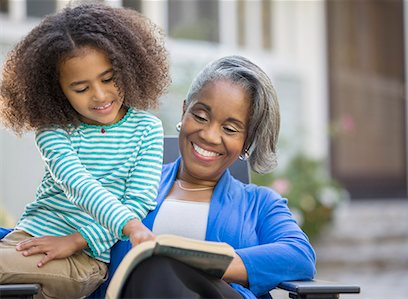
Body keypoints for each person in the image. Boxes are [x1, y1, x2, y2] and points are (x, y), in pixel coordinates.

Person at [92, 55, 316, 299]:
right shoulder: (129, 183)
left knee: (157, 264)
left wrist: (194, 259)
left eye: (230, 129)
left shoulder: (260, 203)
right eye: (200, 116)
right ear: (184, 110)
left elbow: (299, 255)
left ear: (246, 143)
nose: (209, 135)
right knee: (153, 268)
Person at [0, 3, 170, 298]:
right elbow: (76, 182)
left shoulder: (146, 129)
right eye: (81, 88)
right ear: (56, 90)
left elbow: (138, 201)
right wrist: (129, 226)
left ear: (128, 66)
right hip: (26, 241)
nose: (101, 95)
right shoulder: (54, 130)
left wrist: (77, 240)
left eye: (108, 79)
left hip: (84, 259)